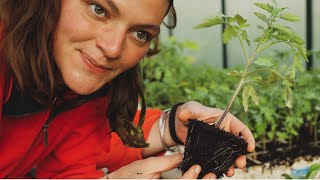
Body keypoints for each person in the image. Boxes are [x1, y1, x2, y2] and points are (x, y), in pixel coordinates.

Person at [0, 0, 255, 179]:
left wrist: (170, 127)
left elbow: (74, 163)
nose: (113, 48)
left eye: (140, 34)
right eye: (98, 9)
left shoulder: (79, 88)